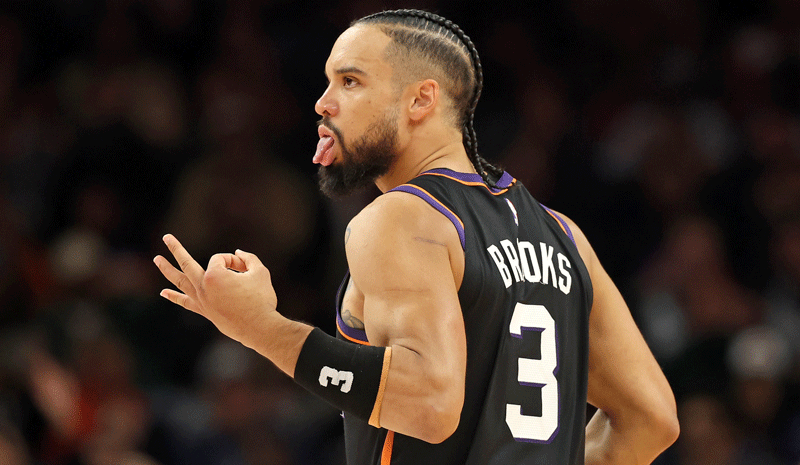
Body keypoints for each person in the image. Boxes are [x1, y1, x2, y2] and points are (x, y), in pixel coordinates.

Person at [153, 9, 679, 464]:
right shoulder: (564, 235)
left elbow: (429, 405)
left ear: (421, 100)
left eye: (350, 82)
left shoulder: (401, 218)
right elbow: (652, 420)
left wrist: (260, 328)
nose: (323, 103)